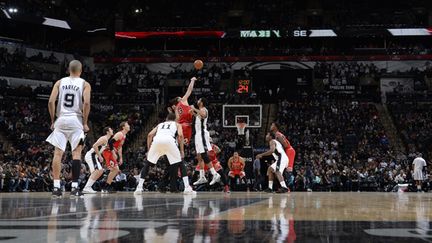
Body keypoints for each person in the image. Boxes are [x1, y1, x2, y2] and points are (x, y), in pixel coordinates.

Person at [46, 60, 91, 198]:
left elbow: (50, 101)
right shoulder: (85, 84)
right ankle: (75, 188)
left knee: (57, 154)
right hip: (76, 120)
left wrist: (53, 120)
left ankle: (56, 187)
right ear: (81, 70)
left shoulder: (59, 82)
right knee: (76, 154)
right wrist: (85, 123)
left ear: (68, 70)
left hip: (61, 120)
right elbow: (87, 103)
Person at [134, 113, 195, 194]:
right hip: (169, 141)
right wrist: (182, 150)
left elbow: (149, 135)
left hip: (157, 142)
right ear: (175, 119)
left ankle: (139, 187)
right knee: (180, 164)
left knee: (147, 164)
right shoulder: (177, 124)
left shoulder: (160, 124)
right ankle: (187, 188)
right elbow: (180, 135)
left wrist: (149, 150)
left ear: (166, 119)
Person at [191, 98, 221, 186]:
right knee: (199, 156)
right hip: (198, 134)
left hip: (202, 134)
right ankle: (202, 176)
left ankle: (215, 174)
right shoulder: (199, 110)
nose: (197, 101)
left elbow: (203, 115)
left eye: (199, 100)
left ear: (202, 102)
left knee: (204, 154)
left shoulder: (204, 110)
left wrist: (194, 109)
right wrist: (193, 113)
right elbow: (199, 117)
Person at [82, 127, 113, 193]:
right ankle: (87, 187)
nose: (112, 130)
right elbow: (94, 146)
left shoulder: (106, 140)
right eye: (111, 129)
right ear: (107, 132)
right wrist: (99, 156)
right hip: (91, 155)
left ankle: (88, 187)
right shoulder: (104, 138)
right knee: (98, 170)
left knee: (100, 171)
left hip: (93, 156)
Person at [102, 122, 130, 193]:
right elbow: (110, 142)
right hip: (108, 151)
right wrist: (113, 153)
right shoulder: (119, 134)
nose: (129, 126)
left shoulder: (124, 136)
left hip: (112, 152)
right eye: (127, 125)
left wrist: (121, 157)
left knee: (115, 170)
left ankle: (106, 186)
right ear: (123, 127)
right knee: (115, 169)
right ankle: (106, 187)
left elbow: (120, 147)